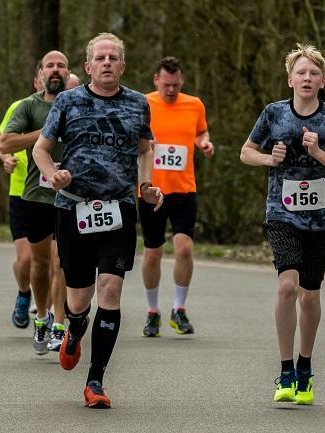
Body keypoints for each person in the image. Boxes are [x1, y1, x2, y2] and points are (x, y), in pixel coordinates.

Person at [33, 32, 163, 408]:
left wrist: (147, 185)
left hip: (118, 208)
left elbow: (145, 149)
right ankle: (75, 328)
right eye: (100, 58)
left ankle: (96, 381)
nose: (107, 63)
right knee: (78, 297)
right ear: (88, 66)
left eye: (113, 58)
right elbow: (42, 149)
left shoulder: (138, 104)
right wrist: (53, 174)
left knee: (110, 288)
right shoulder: (68, 101)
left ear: (122, 65)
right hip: (73, 207)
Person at [240, 43, 325, 405]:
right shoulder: (274, 113)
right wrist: (268, 160)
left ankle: (306, 366)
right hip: (282, 214)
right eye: (301, 72)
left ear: (322, 81)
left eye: (313, 73)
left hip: (321, 219)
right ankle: (286, 368)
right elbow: (246, 152)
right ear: (290, 79)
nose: (307, 78)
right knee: (287, 287)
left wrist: (319, 153)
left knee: (310, 294)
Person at [0, 51, 71, 354]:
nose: (55, 70)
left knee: (62, 261)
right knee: (40, 264)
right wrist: (45, 135)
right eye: (49, 66)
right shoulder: (29, 106)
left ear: (69, 72)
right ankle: (41, 316)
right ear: (40, 73)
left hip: (71, 196)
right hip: (35, 196)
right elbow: (6, 142)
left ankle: (58, 324)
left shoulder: (79, 103)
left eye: (61, 66)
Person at [139, 56, 214, 337]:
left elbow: (200, 131)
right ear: (156, 80)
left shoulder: (194, 104)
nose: (171, 90)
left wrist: (204, 142)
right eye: (166, 84)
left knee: (184, 249)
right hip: (150, 190)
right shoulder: (142, 103)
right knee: (153, 252)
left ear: (181, 81)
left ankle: (178, 309)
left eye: (176, 85)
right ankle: (152, 312)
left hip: (184, 188)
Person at [0, 62, 44, 329]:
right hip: (21, 191)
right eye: (41, 77)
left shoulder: (69, 106)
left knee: (51, 260)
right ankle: (24, 293)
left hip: (51, 193)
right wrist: (6, 158)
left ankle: (49, 311)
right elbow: (0, 139)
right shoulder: (21, 107)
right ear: (36, 81)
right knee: (26, 259)